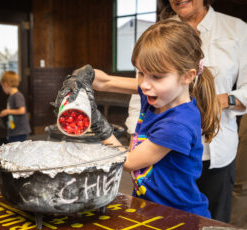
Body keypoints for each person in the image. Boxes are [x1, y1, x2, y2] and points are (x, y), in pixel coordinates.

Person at [54, 19, 221, 218]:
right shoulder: (158, 93)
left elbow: (130, 162)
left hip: (181, 217)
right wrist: (83, 75)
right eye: (141, 73)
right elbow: (105, 81)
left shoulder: (177, 124)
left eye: (156, 76)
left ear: (187, 76)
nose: (144, 84)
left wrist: (98, 124)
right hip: (151, 208)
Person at [126, 0, 247, 223]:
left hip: (216, 151)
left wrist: (223, 100)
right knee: (161, 223)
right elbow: (142, 90)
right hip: (162, 151)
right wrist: (134, 139)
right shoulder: (160, 33)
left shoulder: (236, 29)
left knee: (210, 228)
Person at [0, 71, 31, 143]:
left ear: (6, 84)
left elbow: (22, 110)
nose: (2, 89)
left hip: (20, 131)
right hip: (14, 130)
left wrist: (7, 111)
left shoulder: (17, 96)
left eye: (2, 86)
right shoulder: (11, 97)